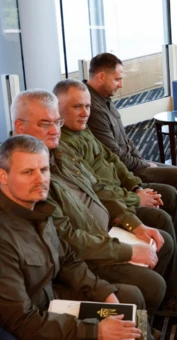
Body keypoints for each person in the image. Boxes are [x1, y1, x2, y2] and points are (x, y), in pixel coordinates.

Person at [12, 89, 177, 320]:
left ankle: (165, 302)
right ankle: (143, 322)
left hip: (104, 234)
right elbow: (67, 243)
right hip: (89, 253)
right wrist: (126, 250)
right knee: (151, 285)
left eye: (57, 122)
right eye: (45, 124)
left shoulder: (61, 152)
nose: (55, 131)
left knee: (160, 238)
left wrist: (134, 224)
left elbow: (98, 189)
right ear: (20, 126)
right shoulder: (31, 180)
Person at [0, 135, 146, 340]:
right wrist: (96, 331)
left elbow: (66, 258)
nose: (41, 179)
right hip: (33, 322)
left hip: (54, 298)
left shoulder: (38, 206)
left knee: (128, 300)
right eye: (28, 172)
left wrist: (101, 291)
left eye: (44, 170)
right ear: (3, 176)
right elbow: (21, 321)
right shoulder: (4, 237)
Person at [85, 53, 177, 268]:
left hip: (134, 161)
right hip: (126, 169)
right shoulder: (91, 109)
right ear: (100, 77)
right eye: (117, 79)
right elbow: (114, 155)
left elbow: (125, 140)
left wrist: (142, 158)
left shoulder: (105, 101)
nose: (121, 84)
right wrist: (142, 165)